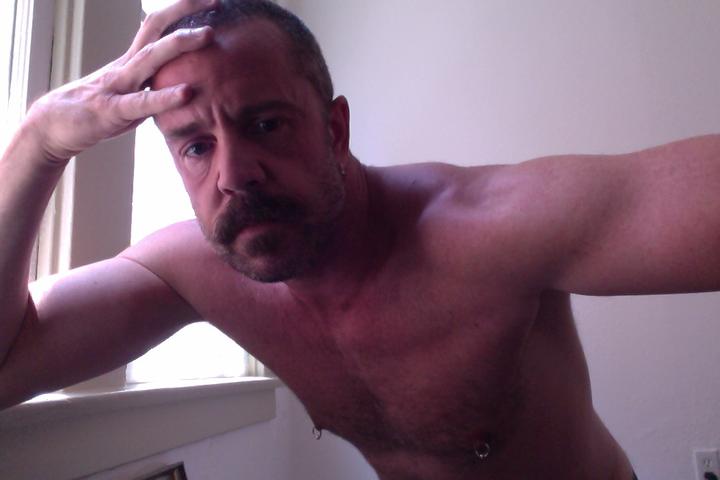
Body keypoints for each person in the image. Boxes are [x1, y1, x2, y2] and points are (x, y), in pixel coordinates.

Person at [0, 0, 717, 478]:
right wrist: (38, 143)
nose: (234, 175)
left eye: (266, 124)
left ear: (335, 129)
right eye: (195, 145)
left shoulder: (486, 229)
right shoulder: (194, 272)